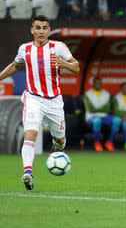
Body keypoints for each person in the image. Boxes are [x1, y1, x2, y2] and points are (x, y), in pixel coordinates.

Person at [0, 15, 79, 190]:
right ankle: (27, 173)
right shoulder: (25, 49)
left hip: (54, 101)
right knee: (31, 134)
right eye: (38, 28)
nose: (41, 31)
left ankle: (57, 151)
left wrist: (63, 63)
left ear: (49, 30)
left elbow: (76, 67)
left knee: (60, 139)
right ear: (32, 30)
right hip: (33, 98)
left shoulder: (59, 47)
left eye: (44, 28)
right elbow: (15, 65)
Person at [84, 77, 117, 152]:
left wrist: (96, 107)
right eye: (96, 83)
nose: (97, 85)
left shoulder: (106, 94)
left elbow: (107, 109)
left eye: (99, 83)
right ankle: (97, 142)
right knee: (97, 121)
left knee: (117, 120)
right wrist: (103, 107)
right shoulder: (88, 94)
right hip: (91, 117)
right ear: (93, 84)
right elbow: (91, 109)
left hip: (104, 116)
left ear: (101, 84)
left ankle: (109, 142)